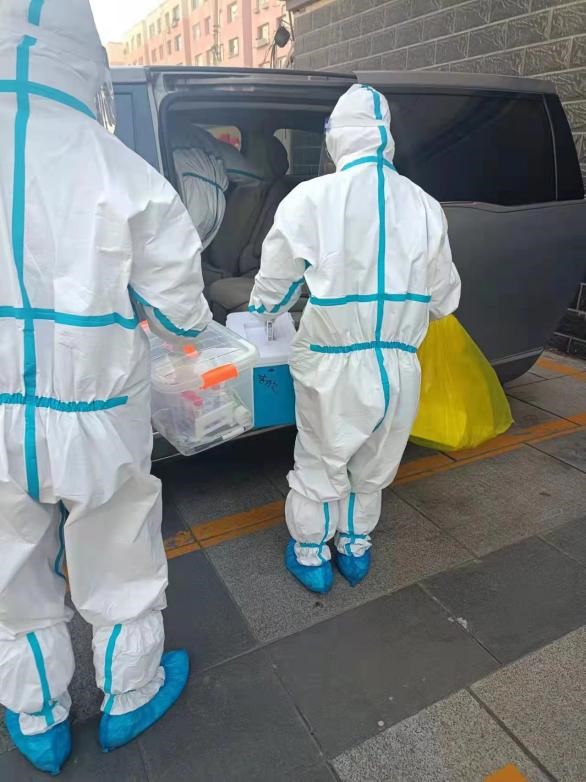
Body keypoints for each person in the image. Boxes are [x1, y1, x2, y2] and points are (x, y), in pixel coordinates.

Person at [0, 0, 211, 774]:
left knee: (7, 569)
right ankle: (131, 693)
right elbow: (180, 315)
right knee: (118, 550)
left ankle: (37, 716)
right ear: (85, 58)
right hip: (98, 413)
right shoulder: (121, 170)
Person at [249, 84, 461, 594]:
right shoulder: (426, 206)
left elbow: (274, 287)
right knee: (375, 461)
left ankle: (311, 554)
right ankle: (355, 545)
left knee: (322, 458)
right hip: (399, 364)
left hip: (331, 361)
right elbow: (444, 299)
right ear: (386, 137)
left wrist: (262, 311)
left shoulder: (311, 198)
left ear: (337, 138)